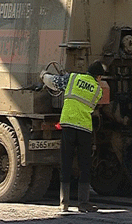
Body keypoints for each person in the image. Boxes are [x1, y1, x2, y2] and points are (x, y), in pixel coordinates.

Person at [40, 61, 104, 213]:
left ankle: (64, 203)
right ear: (98, 76)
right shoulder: (97, 90)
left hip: (68, 125)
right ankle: (83, 203)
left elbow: (54, 82)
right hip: (84, 129)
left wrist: (43, 75)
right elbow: (94, 105)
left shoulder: (73, 78)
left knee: (66, 163)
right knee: (84, 166)